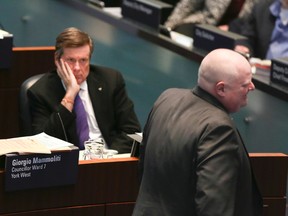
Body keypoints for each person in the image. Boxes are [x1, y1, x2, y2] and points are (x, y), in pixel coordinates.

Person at [132, 49, 263, 215]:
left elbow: (143, 167)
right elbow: (214, 206)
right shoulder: (219, 129)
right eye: (245, 84)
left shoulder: (167, 98)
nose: (252, 87)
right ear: (221, 89)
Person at [27, 27, 141, 153]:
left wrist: (109, 158)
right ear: (57, 59)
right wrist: (70, 96)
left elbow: (131, 131)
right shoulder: (40, 92)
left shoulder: (111, 80)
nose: (77, 68)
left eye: (83, 60)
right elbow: (43, 143)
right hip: (70, 164)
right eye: (71, 60)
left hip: (110, 157)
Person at [164, 0, 258, 36]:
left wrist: (230, 28)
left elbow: (251, 22)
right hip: (202, 23)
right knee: (181, 33)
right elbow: (188, 4)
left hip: (232, 34)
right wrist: (169, 26)